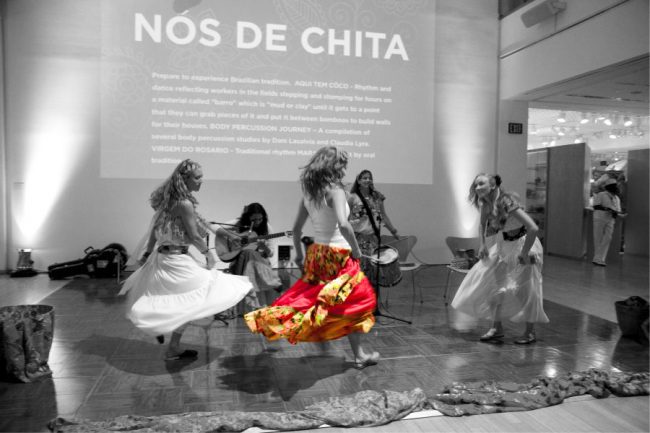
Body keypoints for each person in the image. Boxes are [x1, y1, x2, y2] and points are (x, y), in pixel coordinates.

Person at [244, 146, 380, 368]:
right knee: (356, 302)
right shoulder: (336, 192)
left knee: (321, 301)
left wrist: (299, 255)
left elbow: (296, 229)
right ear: (333, 166)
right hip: (339, 256)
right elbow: (344, 225)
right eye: (342, 164)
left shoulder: (309, 195)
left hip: (318, 254)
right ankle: (359, 355)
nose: (344, 169)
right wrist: (356, 250)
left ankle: (335, 347)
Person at [119, 159, 252, 360]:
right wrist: (208, 254)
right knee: (199, 295)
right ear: (185, 179)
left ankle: (169, 341)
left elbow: (199, 223)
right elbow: (195, 235)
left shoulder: (169, 201)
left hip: (164, 258)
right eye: (197, 177)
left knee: (180, 301)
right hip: (175, 261)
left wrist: (147, 252)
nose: (201, 181)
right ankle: (167, 337)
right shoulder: (184, 203)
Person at [451, 173, 549, 344]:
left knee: (525, 290)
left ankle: (530, 332)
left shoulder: (506, 201)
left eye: (481, 184)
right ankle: (496, 328)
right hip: (503, 245)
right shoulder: (484, 203)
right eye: (475, 185)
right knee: (494, 286)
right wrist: (482, 244)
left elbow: (533, 228)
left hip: (524, 244)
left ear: (493, 185)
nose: (477, 188)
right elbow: (482, 225)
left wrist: (524, 253)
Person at [223, 202, 282, 309]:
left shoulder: (267, 227)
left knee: (250, 254)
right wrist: (233, 239)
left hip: (261, 262)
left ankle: (252, 304)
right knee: (248, 253)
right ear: (247, 218)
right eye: (254, 220)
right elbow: (217, 227)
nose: (258, 222)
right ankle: (272, 281)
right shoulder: (239, 224)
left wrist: (264, 247)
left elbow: (271, 253)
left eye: (260, 219)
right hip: (241, 262)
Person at [347, 170, 400, 284]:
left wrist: (394, 231)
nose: (368, 180)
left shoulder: (377, 196)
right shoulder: (352, 198)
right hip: (357, 238)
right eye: (364, 178)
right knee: (359, 269)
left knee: (373, 269)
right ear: (358, 181)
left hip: (373, 238)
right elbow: (345, 219)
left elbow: (384, 216)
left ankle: (371, 293)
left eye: (369, 178)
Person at [592, 177, 625, 266]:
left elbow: (618, 210)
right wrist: (607, 209)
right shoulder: (601, 194)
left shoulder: (617, 198)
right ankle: (599, 259)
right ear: (610, 187)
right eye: (615, 186)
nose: (617, 188)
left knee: (608, 238)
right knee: (598, 238)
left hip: (611, 219)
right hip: (599, 218)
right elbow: (596, 206)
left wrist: (619, 213)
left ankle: (598, 258)